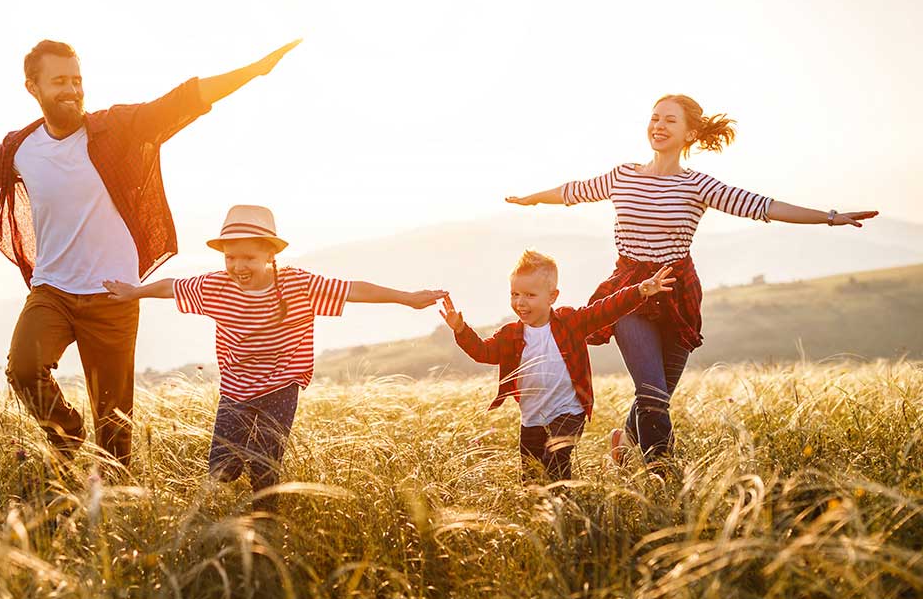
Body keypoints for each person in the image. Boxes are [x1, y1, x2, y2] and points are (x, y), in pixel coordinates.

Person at [0, 39, 301, 467]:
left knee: (115, 432)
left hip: (113, 296)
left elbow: (181, 101)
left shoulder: (116, 129)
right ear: (32, 87)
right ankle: (68, 433)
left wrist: (253, 71)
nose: (72, 90)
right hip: (53, 290)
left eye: (77, 80)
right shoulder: (21, 148)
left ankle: (112, 513)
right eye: (59, 81)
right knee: (24, 369)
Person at [505, 94, 878, 466]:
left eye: (669, 120)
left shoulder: (698, 185)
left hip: (677, 295)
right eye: (654, 118)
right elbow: (573, 192)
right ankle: (663, 480)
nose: (658, 126)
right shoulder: (624, 176)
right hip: (631, 292)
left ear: (689, 133)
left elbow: (764, 207)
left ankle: (626, 438)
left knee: (659, 397)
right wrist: (530, 199)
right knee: (650, 393)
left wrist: (830, 217)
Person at [103, 205, 446, 509]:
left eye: (248, 258)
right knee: (221, 468)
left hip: (281, 385)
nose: (237, 266)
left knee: (266, 461)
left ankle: (264, 521)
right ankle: (215, 518)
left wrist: (407, 298)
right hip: (236, 389)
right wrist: (135, 292)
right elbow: (171, 286)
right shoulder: (214, 287)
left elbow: (353, 289)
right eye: (230, 257)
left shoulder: (297, 286)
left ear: (270, 256)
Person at [440, 250, 674, 480]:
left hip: (569, 412)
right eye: (515, 294)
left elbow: (605, 310)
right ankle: (554, 511)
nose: (520, 302)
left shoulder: (570, 323)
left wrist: (640, 291)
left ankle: (565, 511)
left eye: (530, 295)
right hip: (532, 419)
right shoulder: (510, 335)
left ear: (552, 296)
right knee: (532, 479)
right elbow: (484, 352)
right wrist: (461, 330)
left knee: (554, 463)